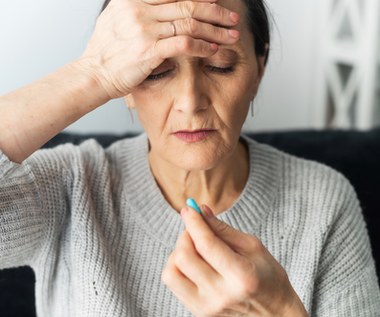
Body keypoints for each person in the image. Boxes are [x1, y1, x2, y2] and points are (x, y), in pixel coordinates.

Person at [0, 0, 379, 315]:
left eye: (219, 66)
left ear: (259, 69)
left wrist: (282, 310)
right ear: (125, 85)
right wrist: (92, 72)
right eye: (156, 70)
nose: (190, 102)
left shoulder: (325, 201)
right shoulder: (69, 184)